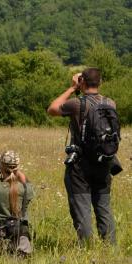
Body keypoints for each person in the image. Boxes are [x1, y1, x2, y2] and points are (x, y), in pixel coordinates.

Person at [47, 67, 117, 244]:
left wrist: (72, 88)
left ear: (82, 82)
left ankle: (87, 248)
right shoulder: (110, 103)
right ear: (100, 82)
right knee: (104, 207)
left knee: (81, 207)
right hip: (104, 162)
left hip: (80, 166)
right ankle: (110, 247)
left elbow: (52, 109)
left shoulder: (77, 104)